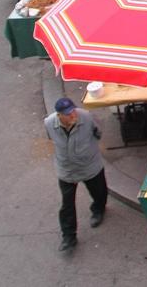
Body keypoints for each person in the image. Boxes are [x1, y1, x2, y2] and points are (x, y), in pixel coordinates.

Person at [46, 97, 107, 253]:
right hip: (67, 169)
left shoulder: (86, 117)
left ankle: (98, 210)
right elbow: (51, 139)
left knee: (99, 191)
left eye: (73, 110)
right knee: (67, 204)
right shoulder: (49, 123)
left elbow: (98, 132)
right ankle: (69, 236)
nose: (73, 115)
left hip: (89, 164)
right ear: (59, 115)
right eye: (67, 114)